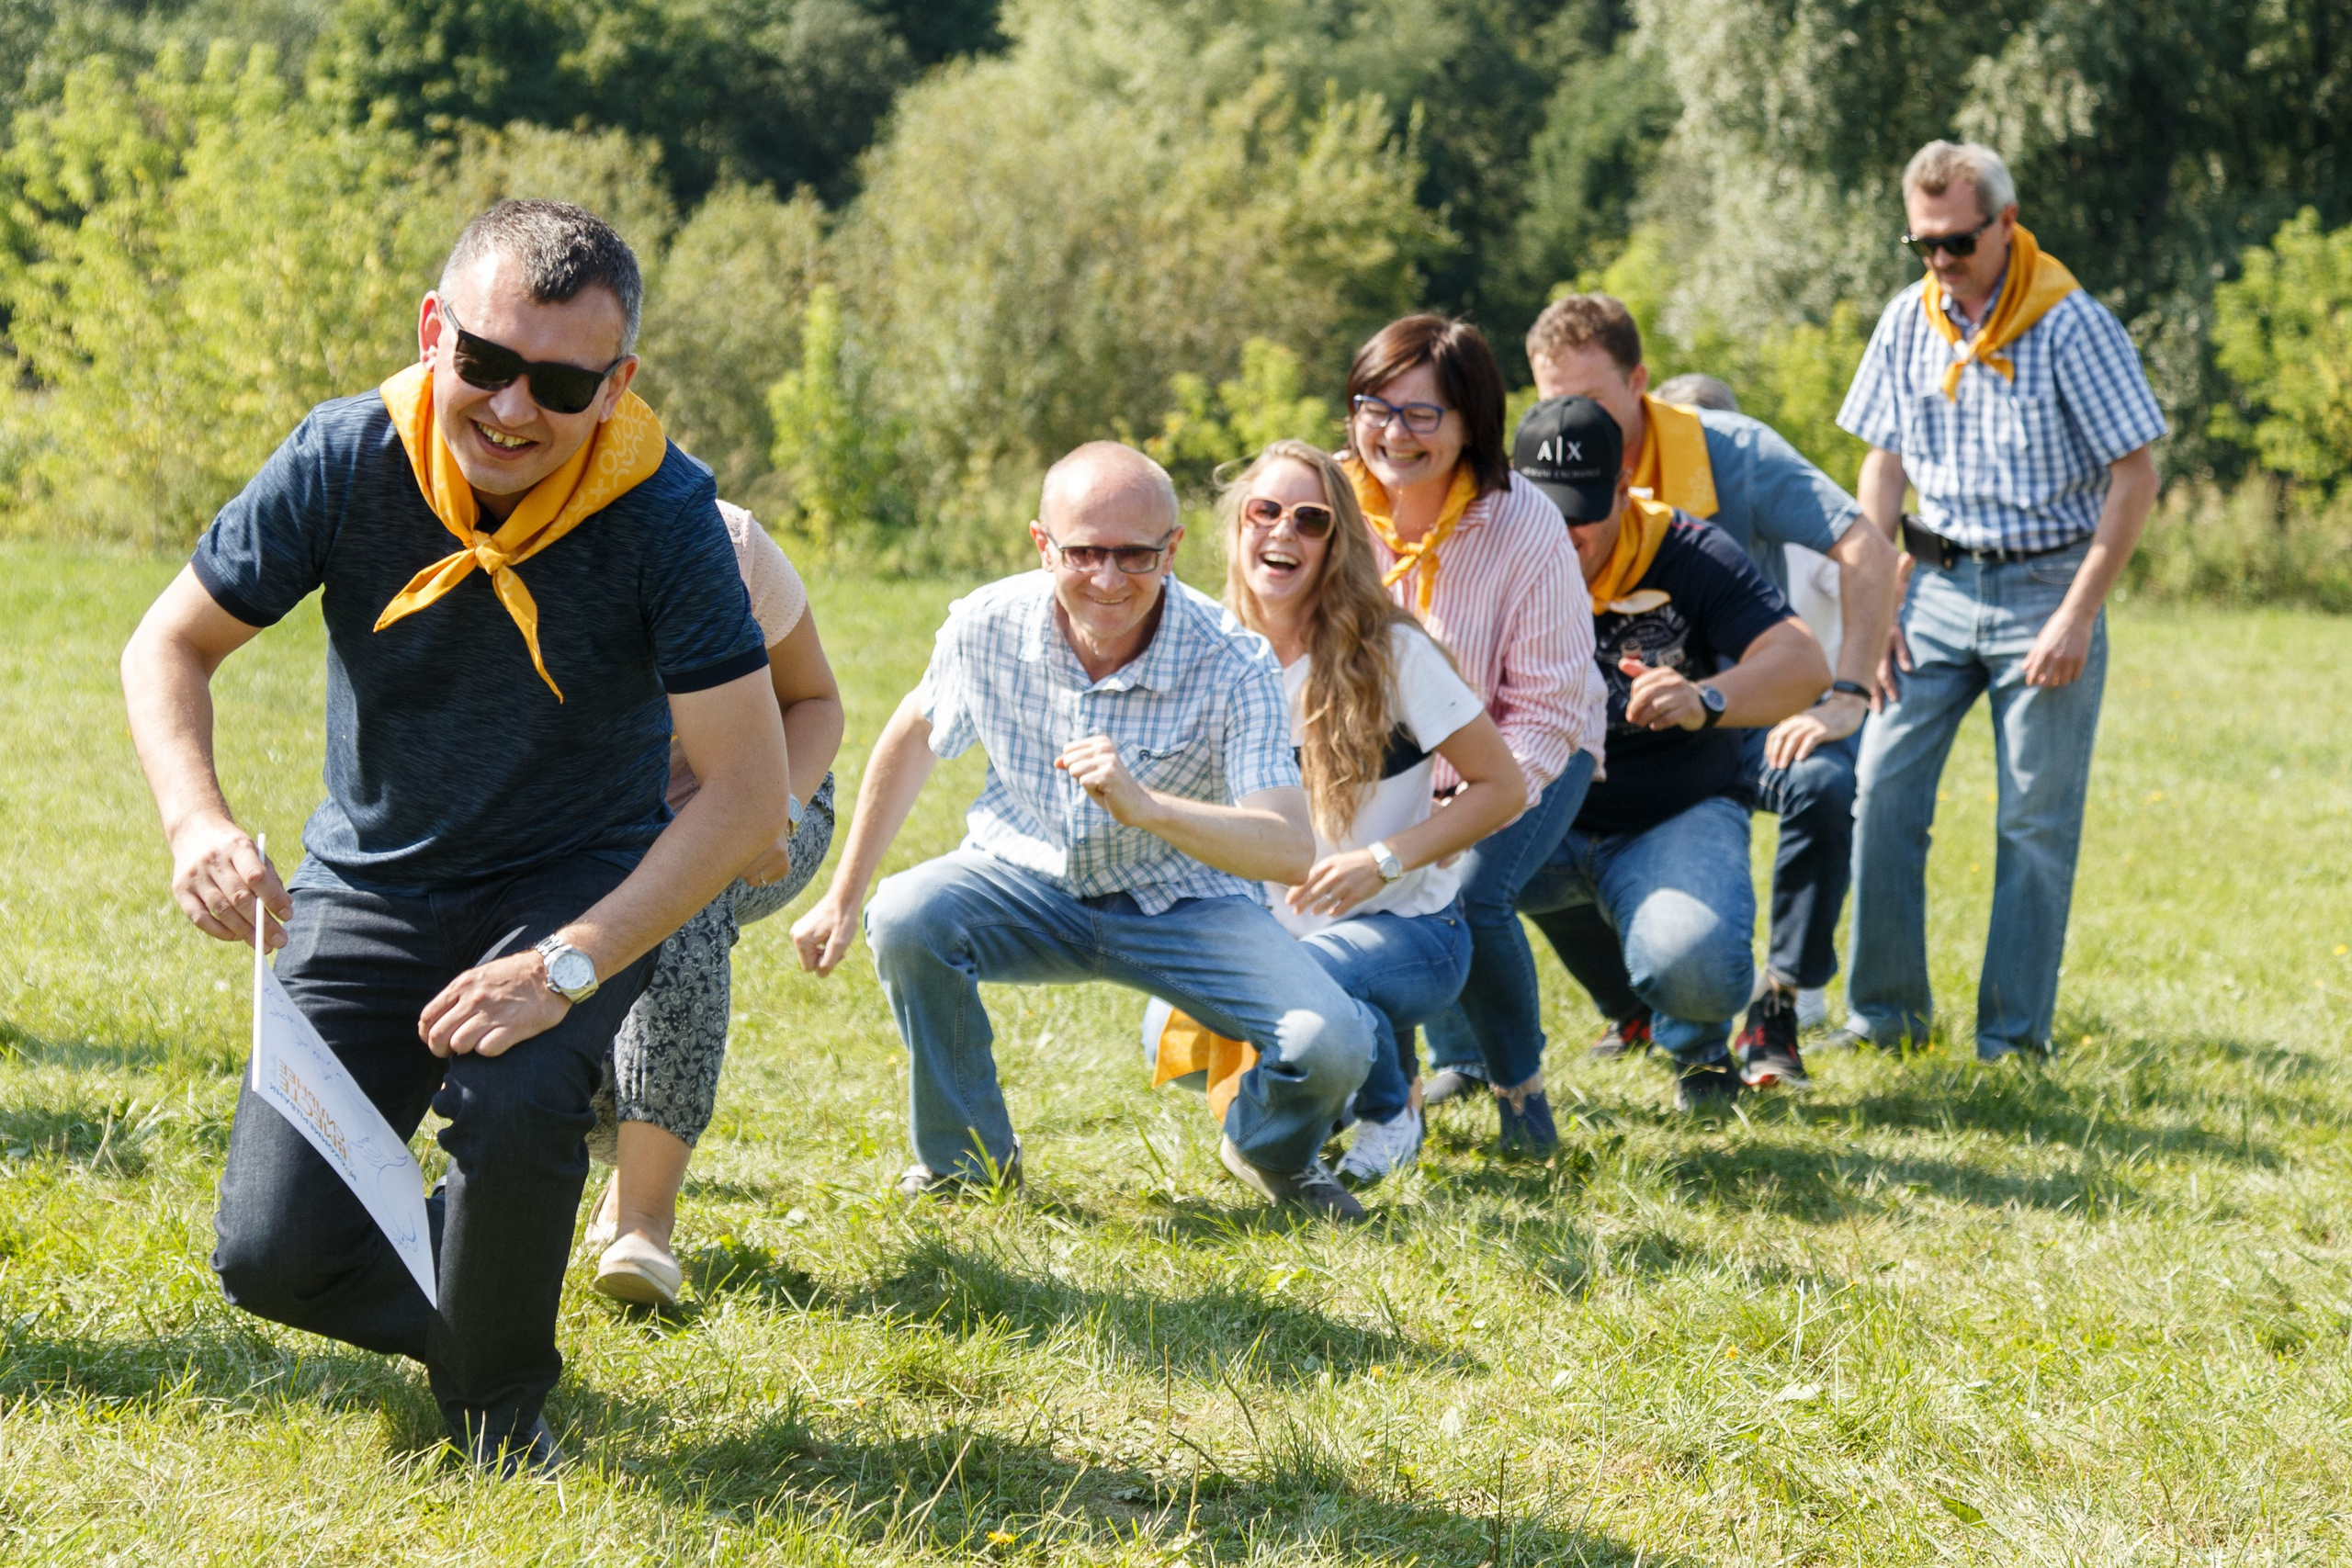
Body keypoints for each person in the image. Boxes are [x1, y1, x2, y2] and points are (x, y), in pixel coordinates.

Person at [118, 200, 790, 1473]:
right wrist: (194, 817)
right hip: (369, 881)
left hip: (570, 883)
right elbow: (171, 641)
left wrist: (569, 964)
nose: (512, 407)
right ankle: (493, 1294)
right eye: (483, 361)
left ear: (618, 382)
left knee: (517, 1089)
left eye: (561, 380)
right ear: (435, 332)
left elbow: (750, 797)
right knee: (269, 1254)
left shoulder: (666, 515)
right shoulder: (346, 456)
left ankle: (499, 1409)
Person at [789, 443, 1381, 1221]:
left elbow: (1287, 844)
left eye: (1135, 556)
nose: (1108, 579)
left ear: (1171, 549)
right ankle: (966, 1164)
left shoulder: (1234, 659)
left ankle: (1269, 1147)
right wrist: (842, 893)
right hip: (1025, 881)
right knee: (905, 914)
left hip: (1187, 903)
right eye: (1085, 553)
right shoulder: (984, 624)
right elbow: (910, 736)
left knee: (1333, 1041)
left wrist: (1153, 807)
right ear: (1044, 546)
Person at [1833, 141, 2164, 1061]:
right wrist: (1879, 587)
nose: (1940, 261)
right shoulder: (1910, 319)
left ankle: (2011, 1043)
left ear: (2006, 224)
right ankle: (1883, 1019)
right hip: (1929, 587)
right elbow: (1882, 457)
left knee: (2031, 821)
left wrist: (2076, 614)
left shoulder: (2071, 324)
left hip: (2044, 586)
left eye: (1956, 242)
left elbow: (2133, 478)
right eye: (1923, 244)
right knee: (1881, 791)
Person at [1521, 295, 1900, 1091]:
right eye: (1554, 398)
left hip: (1748, 697)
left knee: (1824, 780)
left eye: (1592, 401)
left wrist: (1847, 690)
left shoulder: (1730, 452)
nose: (1573, 416)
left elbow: (1864, 540)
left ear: (1639, 382)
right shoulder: (1544, 470)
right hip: (1616, 723)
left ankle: (1779, 1002)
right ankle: (1633, 1005)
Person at [1172, 440, 1527, 1188]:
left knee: (1297, 982)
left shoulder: (1392, 654)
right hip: (1279, 929)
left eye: (1310, 520)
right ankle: (1323, 1093)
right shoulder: (1210, 653)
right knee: (1167, 1031)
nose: (1283, 533)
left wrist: (1383, 860)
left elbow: (1503, 787)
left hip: (1413, 931)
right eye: (1265, 511)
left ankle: (1387, 1108)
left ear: (1337, 545)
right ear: (1237, 525)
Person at [1509, 396, 1830, 1110]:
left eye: (1584, 510)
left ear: (1625, 487)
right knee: (1426, 873)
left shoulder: (1686, 548)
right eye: (1545, 507)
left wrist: (1704, 699)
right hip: (1540, 814)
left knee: (1692, 956)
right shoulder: (1492, 551)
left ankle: (1699, 1049)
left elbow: (1803, 663)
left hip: (1671, 812)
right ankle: (1469, 1061)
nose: (1564, 531)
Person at [1337, 315, 1605, 1154]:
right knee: (1358, 891)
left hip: (1529, 748)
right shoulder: (1330, 507)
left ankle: (1521, 1094)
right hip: (1378, 762)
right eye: (1375, 406)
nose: (1394, 432)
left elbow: (1551, 704)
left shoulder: (1523, 523)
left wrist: (1462, 801)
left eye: (1424, 414)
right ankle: (1395, 1092)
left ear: (1471, 422)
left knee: (1470, 887)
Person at [581, 500, 843, 1307]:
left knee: (681, 899)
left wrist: (782, 808)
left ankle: (644, 1224)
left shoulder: (724, 539)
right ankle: (601, 1146)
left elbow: (814, 702)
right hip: (582, 826)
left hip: (756, 799)